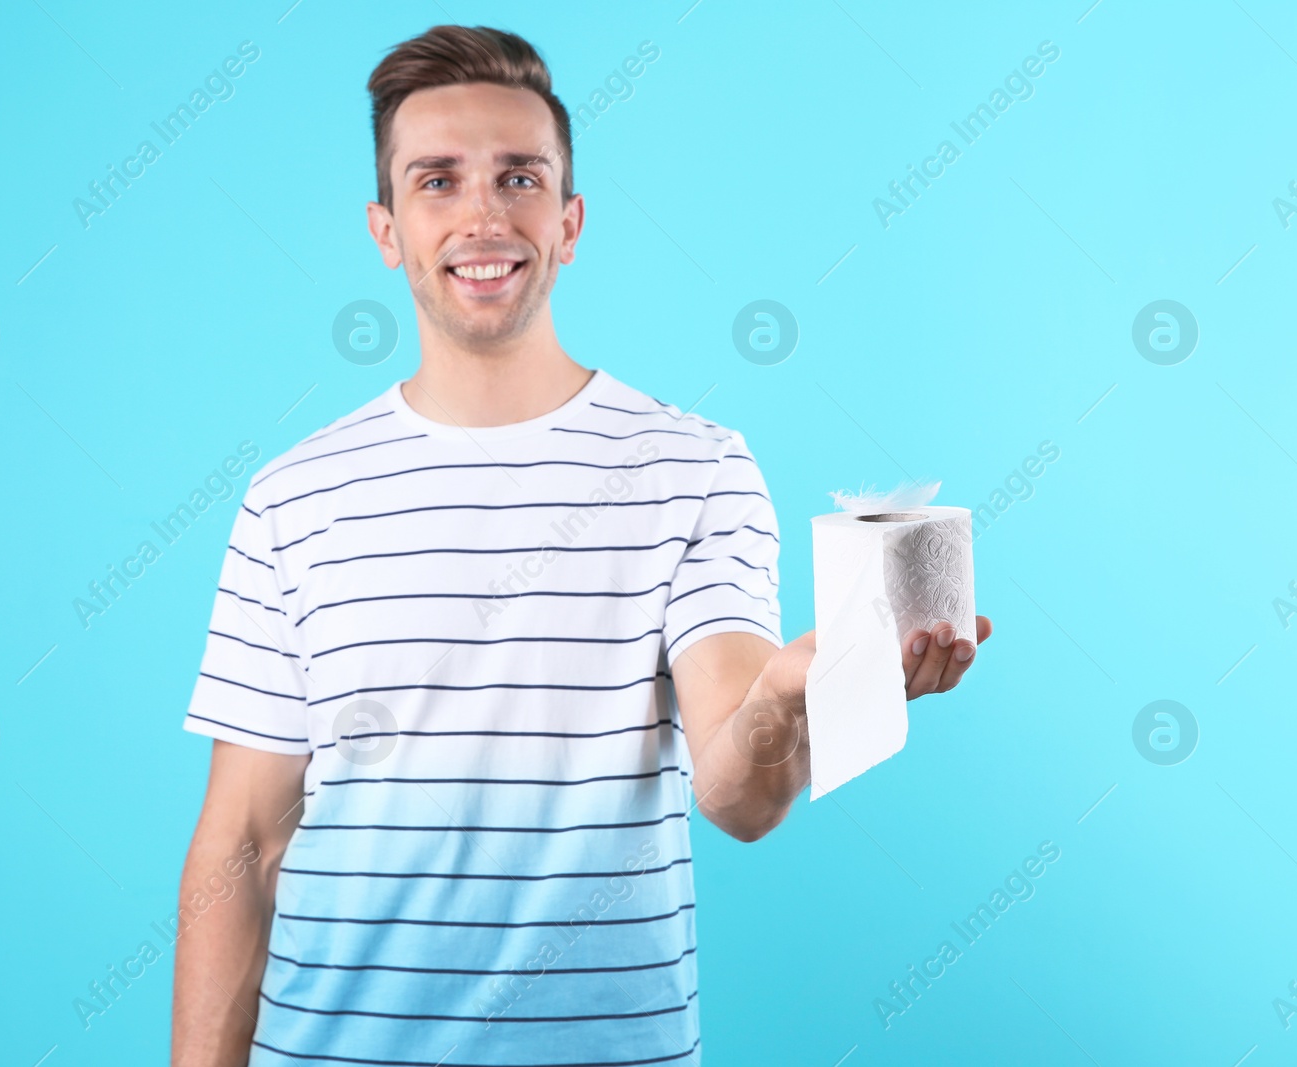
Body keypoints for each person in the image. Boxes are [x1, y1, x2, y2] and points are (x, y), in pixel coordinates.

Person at [170, 24, 990, 1066]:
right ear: (385, 228)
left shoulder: (692, 466)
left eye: (519, 177)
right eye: (436, 181)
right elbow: (242, 842)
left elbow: (740, 794)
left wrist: (788, 696)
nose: (481, 214)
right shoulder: (292, 497)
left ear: (569, 220)